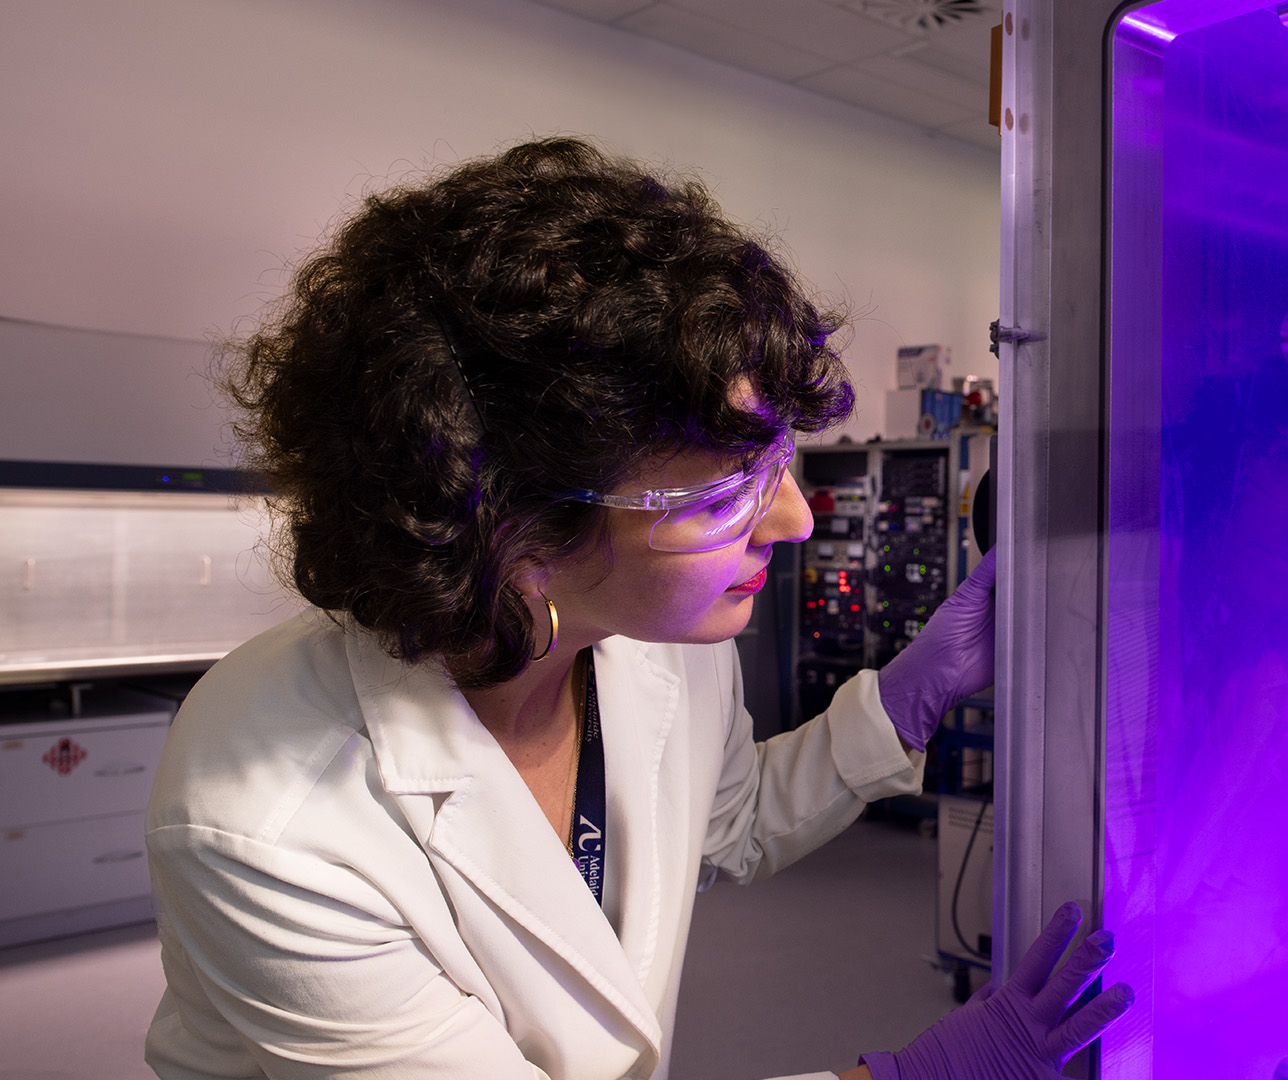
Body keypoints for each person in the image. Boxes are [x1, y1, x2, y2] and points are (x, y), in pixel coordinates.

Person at [142, 138, 1129, 1080]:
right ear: (513, 528)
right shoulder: (271, 818)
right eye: (722, 494)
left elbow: (727, 821)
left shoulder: (653, 627)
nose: (794, 520)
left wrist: (919, 692)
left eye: (779, 461)